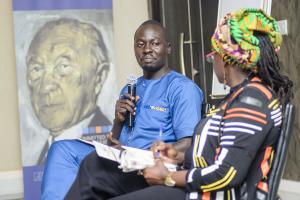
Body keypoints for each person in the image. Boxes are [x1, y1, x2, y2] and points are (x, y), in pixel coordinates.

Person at [65, 9, 293, 200]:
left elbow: (227, 173)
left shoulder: (251, 102)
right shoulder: (237, 97)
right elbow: (216, 152)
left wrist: (168, 177)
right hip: (192, 180)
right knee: (95, 167)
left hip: (209, 194)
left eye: (214, 55)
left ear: (226, 59)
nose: (212, 60)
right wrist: (177, 155)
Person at [42, 20, 204, 199]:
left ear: (169, 48)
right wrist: (118, 122)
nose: (147, 49)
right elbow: (114, 142)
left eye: (155, 43)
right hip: (123, 159)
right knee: (62, 149)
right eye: (140, 44)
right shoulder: (130, 88)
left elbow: (189, 144)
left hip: (150, 164)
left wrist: (145, 154)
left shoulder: (182, 88)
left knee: (93, 164)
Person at [26, 18, 113, 164]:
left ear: (98, 77)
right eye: (37, 69)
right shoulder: (47, 151)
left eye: (63, 66)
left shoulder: (109, 147)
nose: (45, 87)